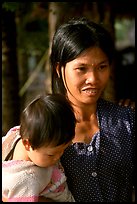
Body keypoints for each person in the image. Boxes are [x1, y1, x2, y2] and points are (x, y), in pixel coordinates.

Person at [50, 17, 135, 202]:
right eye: (81, 68)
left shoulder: (127, 122)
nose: (94, 79)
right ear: (59, 69)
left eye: (102, 67)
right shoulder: (44, 124)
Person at [2, 94, 76, 202]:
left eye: (63, 149)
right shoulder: (27, 181)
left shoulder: (16, 135)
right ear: (27, 144)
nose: (59, 156)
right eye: (51, 154)